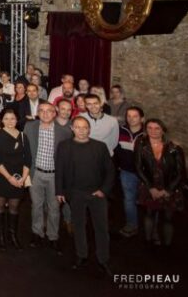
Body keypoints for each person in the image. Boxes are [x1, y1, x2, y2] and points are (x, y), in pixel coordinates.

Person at [56, 116, 115, 275]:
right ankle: (81, 255)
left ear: (89, 129)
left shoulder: (100, 147)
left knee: (101, 228)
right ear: (72, 128)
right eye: (78, 127)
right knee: (79, 227)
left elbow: (110, 171)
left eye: (84, 127)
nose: (81, 130)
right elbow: (60, 170)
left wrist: (103, 190)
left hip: (97, 194)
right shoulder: (64, 146)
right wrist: (59, 191)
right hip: (75, 194)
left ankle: (103, 259)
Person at [25, 102, 72, 253]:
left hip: (55, 175)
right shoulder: (30, 127)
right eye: (42, 111)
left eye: (49, 111)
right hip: (36, 173)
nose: (45, 114)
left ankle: (53, 236)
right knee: (36, 205)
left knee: (54, 207)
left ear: (54, 113)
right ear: (37, 113)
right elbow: (25, 152)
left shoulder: (64, 132)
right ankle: (37, 233)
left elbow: (67, 159)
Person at [135, 119, 186, 246]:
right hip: (149, 184)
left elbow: (181, 172)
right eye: (149, 128)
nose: (153, 131)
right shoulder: (141, 144)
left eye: (157, 128)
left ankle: (167, 247)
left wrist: (168, 190)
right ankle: (148, 241)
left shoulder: (174, 148)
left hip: (168, 186)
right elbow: (138, 167)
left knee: (168, 218)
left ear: (163, 130)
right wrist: (150, 187)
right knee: (149, 213)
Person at [0, 108, 31, 251]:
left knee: (14, 208)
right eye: (6, 119)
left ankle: (12, 236)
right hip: (2, 177)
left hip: (19, 178)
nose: (9, 122)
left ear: (17, 119)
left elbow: (28, 160)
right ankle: (0, 236)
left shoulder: (23, 136)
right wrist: (9, 178)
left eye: (12, 118)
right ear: (1, 120)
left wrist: (23, 179)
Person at [115, 106, 144, 238]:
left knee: (147, 200)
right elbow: (116, 149)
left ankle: (151, 228)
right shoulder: (121, 130)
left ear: (142, 118)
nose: (131, 119)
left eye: (135, 116)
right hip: (127, 171)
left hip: (145, 173)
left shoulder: (147, 132)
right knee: (129, 199)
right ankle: (132, 224)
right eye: (129, 116)